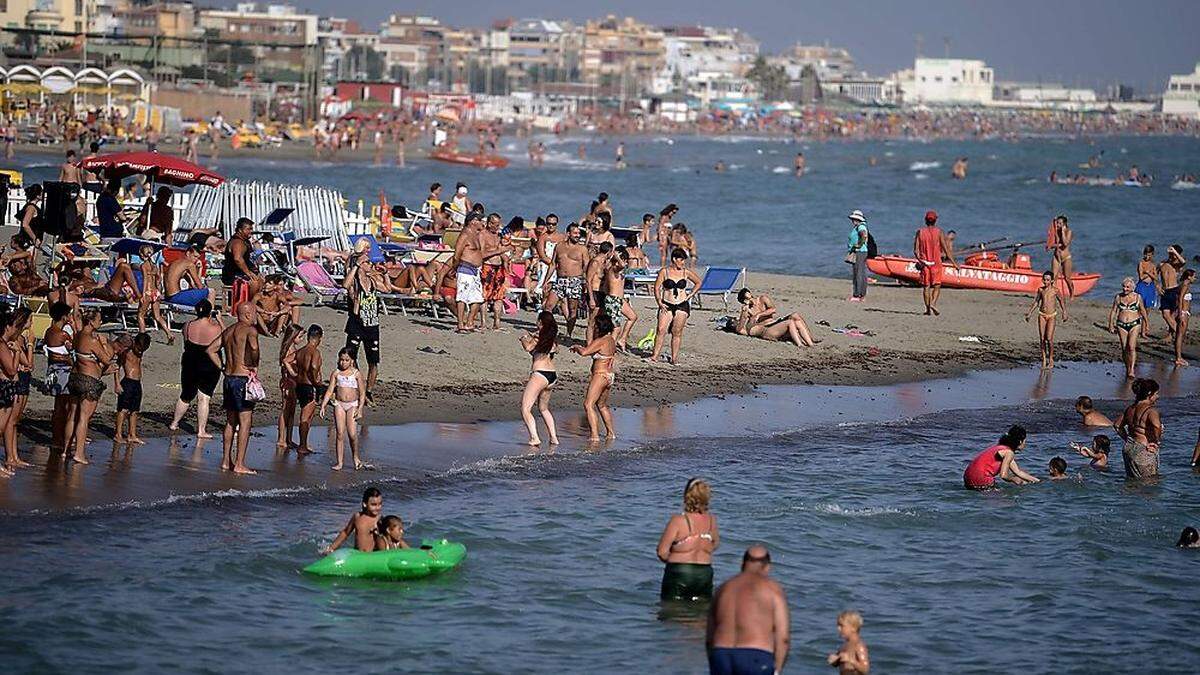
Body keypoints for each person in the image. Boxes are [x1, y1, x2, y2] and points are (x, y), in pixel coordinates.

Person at [706, 545, 790, 675]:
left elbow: (710, 634)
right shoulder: (773, 590)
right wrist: (777, 670)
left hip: (721, 654)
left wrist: (713, 659)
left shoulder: (723, 588)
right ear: (767, 566)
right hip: (755, 656)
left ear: (742, 564)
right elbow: (783, 638)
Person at [208, 302, 261, 475]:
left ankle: (226, 461)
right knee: (245, 422)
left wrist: (223, 367)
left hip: (229, 379)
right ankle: (239, 463)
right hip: (242, 378)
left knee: (231, 421)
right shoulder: (250, 330)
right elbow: (253, 348)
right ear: (247, 314)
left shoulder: (229, 331)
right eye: (254, 312)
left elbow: (211, 350)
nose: (256, 316)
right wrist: (253, 363)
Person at [656, 478, 720, 601]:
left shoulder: (678, 521)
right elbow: (715, 544)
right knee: (701, 613)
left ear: (686, 496)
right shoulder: (712, 521)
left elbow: (662, 552)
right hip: (704, 573)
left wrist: (677, 560)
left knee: (671, 613)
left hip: (680, 572)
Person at [168, 300, 223, 438]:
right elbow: (226, 335)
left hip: (190, 361)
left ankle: (174, 423)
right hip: (208, 364)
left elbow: (186, 340)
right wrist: (220, 320)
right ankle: (201, 430)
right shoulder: (215, 328)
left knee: (186, 395)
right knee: (204, 397)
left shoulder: (187, 325)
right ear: (210, 312)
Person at [67, 309, 116, 465]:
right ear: (91, 321)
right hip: (89, 380)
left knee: (72, 415)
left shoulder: (78, 336)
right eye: (99, 319)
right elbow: (107, 359)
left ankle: (65, 450)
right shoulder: (92, 340)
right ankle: (79, 453)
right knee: (83, 418)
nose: (100, 322)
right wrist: (103, 342)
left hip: (75, 377)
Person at [342, 240, 383, 400]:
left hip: (372, 325)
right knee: (351, 357)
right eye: (367, 249)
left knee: (373, 361)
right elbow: (346, 285)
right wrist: (357, 266)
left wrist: (383, 273)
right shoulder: (354, 269)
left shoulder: (372, 278)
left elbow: (386, 286)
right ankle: (359, 387)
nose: (370, 263)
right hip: (356, 323)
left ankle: (369, 391)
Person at [649, 248, 702, 365]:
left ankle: (674, 359)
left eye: (684, 260)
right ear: (674, 259)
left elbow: (698, 282)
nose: (683, 263)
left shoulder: (685, 272)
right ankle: (654, 356)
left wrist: (690, 295)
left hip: (682, 305)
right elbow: (657, 288)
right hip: (666, 304)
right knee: (661, 330)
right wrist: (659, 302)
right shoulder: (664, 272)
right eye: (681, 260)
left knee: (676, 332)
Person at [571, 312, 617, 442]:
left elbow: (585, 352)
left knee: (588, 404)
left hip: (600, 375)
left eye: (595, 326)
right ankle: (610, 433)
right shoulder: (611, 340)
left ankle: (595, 436)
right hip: (609, 375)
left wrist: (577, 347)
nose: (594, 328)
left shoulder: (601, 341)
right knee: (602, 405)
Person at [320, 348, 367, 471]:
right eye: (341, 360)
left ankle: (355, 457)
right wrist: (323, 404)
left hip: (352, 405)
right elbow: (330, 390)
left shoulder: (356, 374)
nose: (343, 363)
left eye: (346, 360)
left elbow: (362, 393)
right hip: (339, 404)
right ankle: (339, 462)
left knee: (352, 434)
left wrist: (360, 409)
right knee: (340, 433)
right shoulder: (336, 373)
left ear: (351, 361)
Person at [518, 311, 559, 446]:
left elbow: (528, 347)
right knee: (544, 408)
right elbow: (554, 350)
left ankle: (534, 437)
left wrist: (524, 338)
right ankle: (553, 437)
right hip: (552, 375)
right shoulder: (551, 338)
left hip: (540, 374)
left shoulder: (539, 337)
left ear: (540, 322)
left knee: (526, 408)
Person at [542, 223, 588, 339]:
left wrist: (586, 283)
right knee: (548, 306)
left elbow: (587, 267)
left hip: (575, 280)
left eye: (579, 233)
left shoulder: (582, 249)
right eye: (575, 233)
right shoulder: (559, 246)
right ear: (568, 233)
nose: (578, 235)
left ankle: (569, 333)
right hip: (560, 280)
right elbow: (553, 264)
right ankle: (547, 329)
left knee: (573, 310)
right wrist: (545, 281)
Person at [41, 302, 75, 450]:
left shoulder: (49, 331)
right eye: (68, 315)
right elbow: (72, 350)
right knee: (65, 406)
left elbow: (51, 353)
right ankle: (61, 437)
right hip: (63, 371)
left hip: (52, 369)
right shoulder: (63, 334)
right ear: (64, 317)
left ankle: (57, 437)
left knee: (58, 406)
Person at [1114, 377, 1162, 480]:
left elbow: (1117, 426)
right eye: (1156, 393)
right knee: (1150, 484)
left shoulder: (1130, 409)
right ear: (1149, 393)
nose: (1157, 396)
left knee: (1132, 482)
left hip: (1129, 448)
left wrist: (1127, 439)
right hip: (1144, 449)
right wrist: (1156, 442)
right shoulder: (1151, 411)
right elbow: (1157, 426)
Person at [963, 425, 1040, 489]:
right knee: (1003, 500)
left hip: (967, 477)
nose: (1025, 444)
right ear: (1020, 441)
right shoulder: (1009, 453)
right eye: (1025, 441)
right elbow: (1003, 475)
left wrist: (1037, 481)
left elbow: (1017, 471)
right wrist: (1014, 479)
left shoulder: (1000, 448)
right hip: (982, 479)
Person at [913, 210, 958, 316]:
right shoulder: (939, 232)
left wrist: (920, 261)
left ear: (925, 220)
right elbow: (946, 249)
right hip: (936, 263)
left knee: (926, 286)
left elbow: (915, 251)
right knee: (937, 285)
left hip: (925, 263)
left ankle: (928, 309)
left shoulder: (920, 232)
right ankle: (933, 303)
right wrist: (954, 263)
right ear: (935, 221)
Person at [1107, 277, 1149, 379]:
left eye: (1127, 287)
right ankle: (1127, 366)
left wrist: (1146, 323)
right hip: (1121, 325)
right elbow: (1113, 311)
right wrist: (1110, 324)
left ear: (1132, 288)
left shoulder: (1138, 297)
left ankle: (1132, 369)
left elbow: (1143, 310)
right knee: (1124, 348)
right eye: (1124, 286)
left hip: (1134, 324)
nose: (1125, 289)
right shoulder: (1118, 297)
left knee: (1131, 347)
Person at [113, 332, 151, 445]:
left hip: (137, 383)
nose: (140, 351)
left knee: (134, 410)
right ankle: (118, 434)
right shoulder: (126, 351)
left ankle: (132, 435)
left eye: (143, 349)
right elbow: (117, 366)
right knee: (123, 409)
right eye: (139, 348)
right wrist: (117, 383)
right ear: (134, 343)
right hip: (127, 382)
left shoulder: (140, 351)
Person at [1025, 271, 1068, 370]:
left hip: (1052, 315)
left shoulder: (1056, 291)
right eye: (1044, 279)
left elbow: (1061, 301)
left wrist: (1064, 312)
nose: (1045, 281)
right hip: (1041, 315)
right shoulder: (1040, 290)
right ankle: (1044, 359)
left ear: (1052, 280)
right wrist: (1030, 313)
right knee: (1042, 339)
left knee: (1049, 338)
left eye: (1048, 280)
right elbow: (1036, 302)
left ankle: (1051, 359)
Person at [291, 324, 323, 455]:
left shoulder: (301, 351)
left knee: (306, 415)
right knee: (306, 417)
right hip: (310, 385)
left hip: (300, 384)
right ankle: (302, 445)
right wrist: (316, 381)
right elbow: (314, 366)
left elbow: (287, 360)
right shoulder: (314, 351)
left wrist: (294, 374)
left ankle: (304, 443)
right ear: (319, 338)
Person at [322, 487, 384, 554]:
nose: (377, 507)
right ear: (365, 504)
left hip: (371, 556)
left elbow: (386, 539)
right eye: (373, 505)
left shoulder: (379, 519)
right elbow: (345, 533)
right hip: (357, 555)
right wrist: (331, 548)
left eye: (380, 504)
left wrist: (378, 534)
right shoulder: (357, 517)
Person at [221, 217, 262, 311]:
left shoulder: (245, 241)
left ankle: (252, 304)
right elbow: (238, 259)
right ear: (240, 230)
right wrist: (248, 273)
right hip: (233, 275)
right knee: (254, 283)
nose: (250, 231)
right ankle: (248, 305)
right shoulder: (237, 242)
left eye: (251, 229)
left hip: (242, 272)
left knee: (263, 281)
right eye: (248, 229)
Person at [602, 248, 638, 351]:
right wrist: (616, 255)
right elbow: (621, 265)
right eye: (623, 259)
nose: (625, 262)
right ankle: (609, 349)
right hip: (613, 300)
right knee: (616, 328)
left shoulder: (619, 270)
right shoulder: (613, 268)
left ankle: (622, 339)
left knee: (633, 317)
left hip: (619, 300)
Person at [826, 610, 870, 675]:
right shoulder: (844, 646)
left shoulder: (859, 645)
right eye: (838, 625)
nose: (838, 628)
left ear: (853, 628)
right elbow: (841, 663)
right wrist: (834, 661)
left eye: (841, 626)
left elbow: (865, 669)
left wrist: (851, 660)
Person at [1157, 244, 1185, 338]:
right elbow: (1154, 275)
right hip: (1165, 291)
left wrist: (1175, 252)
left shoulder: (1177, 265)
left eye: (1174, 254)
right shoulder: (1162, 263)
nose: (1172, 256)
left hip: (1174, 290)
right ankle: (1179, 333)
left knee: (1172, 315)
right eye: (1171, 254)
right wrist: (1157, 286)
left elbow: (1183, 261)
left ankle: (1172, 335)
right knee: (1165, 314)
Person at [1047, 215, 1075, 299]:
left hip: (1066, 258)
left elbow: (1066, 243)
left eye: (1060, 223)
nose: (1058, 225)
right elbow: (1051, 244)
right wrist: (1055, 245)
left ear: (1064, 224)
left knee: (1067, 278)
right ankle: (1053, 293)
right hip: (1056, 257)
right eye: (1057, 223)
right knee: (1054, 276)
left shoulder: (1069, 231)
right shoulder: (1055, 232)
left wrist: (1062, 232)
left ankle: (1072, 294)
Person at [846, 210, 869, 302]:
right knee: (861, 273)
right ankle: (861, 294)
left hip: (859, 251)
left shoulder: (860, 226)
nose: (853, 221)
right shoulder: (859, 226)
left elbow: (864, 235)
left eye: (854, 219)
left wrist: (859, 245)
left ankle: (857, 295)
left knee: (858, 273)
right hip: (861, 252)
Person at [1173, 268, 1194, 366]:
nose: (1195, 278)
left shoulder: (1184, 284)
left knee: (1180, 334)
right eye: (1194, 276)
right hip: (1183, 313)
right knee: (1180, 335)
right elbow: (1180, 299)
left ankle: (1179, 356)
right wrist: (1181, 313)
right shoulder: (1185, 285)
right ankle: (1178, 358)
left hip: (1185, 312)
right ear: (1189, 277)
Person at [1135, 245, 1158, 322]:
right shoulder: (1141, 263)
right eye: (1145, 254)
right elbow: (1141, 277)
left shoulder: (1153, 264)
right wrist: (1150, 273)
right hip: (1142, 286)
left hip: (1150, 287)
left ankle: (1143, 331)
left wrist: (1148, 272)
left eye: (1149, 255)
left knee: (1147, 310)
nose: (1147, 257)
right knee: (1140, 308)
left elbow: (1156, 278)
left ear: (1152, 254)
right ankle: (1136, 327)